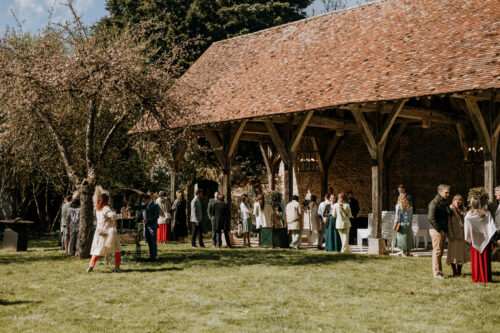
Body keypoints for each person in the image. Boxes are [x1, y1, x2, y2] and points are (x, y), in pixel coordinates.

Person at [464, 189, 497, 283]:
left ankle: (477, 277)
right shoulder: (487, 213)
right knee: (485, 260)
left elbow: (467, 229)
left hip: (474, 241)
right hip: (485, 240)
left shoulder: (469, 215)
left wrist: (468, 238)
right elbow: (491, 227)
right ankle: (485, 277)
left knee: (476, 260)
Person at [87, 189, 121, 272]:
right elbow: (112, 216)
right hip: (108, 232)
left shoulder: (97, 208)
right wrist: (117, 215)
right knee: (117, 249)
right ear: (107, 200)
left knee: (98, 249)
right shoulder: (106, 208)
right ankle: (117, 267)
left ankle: (91, 265)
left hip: (99, 231)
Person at [427, 184, 451, 279]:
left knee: (440, 252)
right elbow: (431, 218)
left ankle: (439, 271)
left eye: (449, 192)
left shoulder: (444, 202)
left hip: (442, 230)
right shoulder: (434, 203)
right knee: (437, 251)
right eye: (446, 192)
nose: (448, 194)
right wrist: (439, 229)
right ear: (440, 192)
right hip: (436, 230)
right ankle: (436, 273)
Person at [447, 194, 466, 277]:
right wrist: (450, 234)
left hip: (462, 235)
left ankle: (459, 271)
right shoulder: (450, 209)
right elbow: (449, 223)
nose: (458, 202)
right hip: (453, 235)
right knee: (453, 254)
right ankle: (454, 272)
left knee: (460, 254)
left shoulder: (463, 209)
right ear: (453, 201)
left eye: (460, 200)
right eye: (456, 200)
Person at [142, 193, 160, 260]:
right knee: (149, 241)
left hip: (152, 226)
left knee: (153, 241)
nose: (144, 201)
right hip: (147, 226)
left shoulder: (155, 205)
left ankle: (154, 256)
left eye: (145, 200)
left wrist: (148, 220)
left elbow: (156, 216)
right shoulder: (145, 206)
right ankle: (151, 255)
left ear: (148, 199)